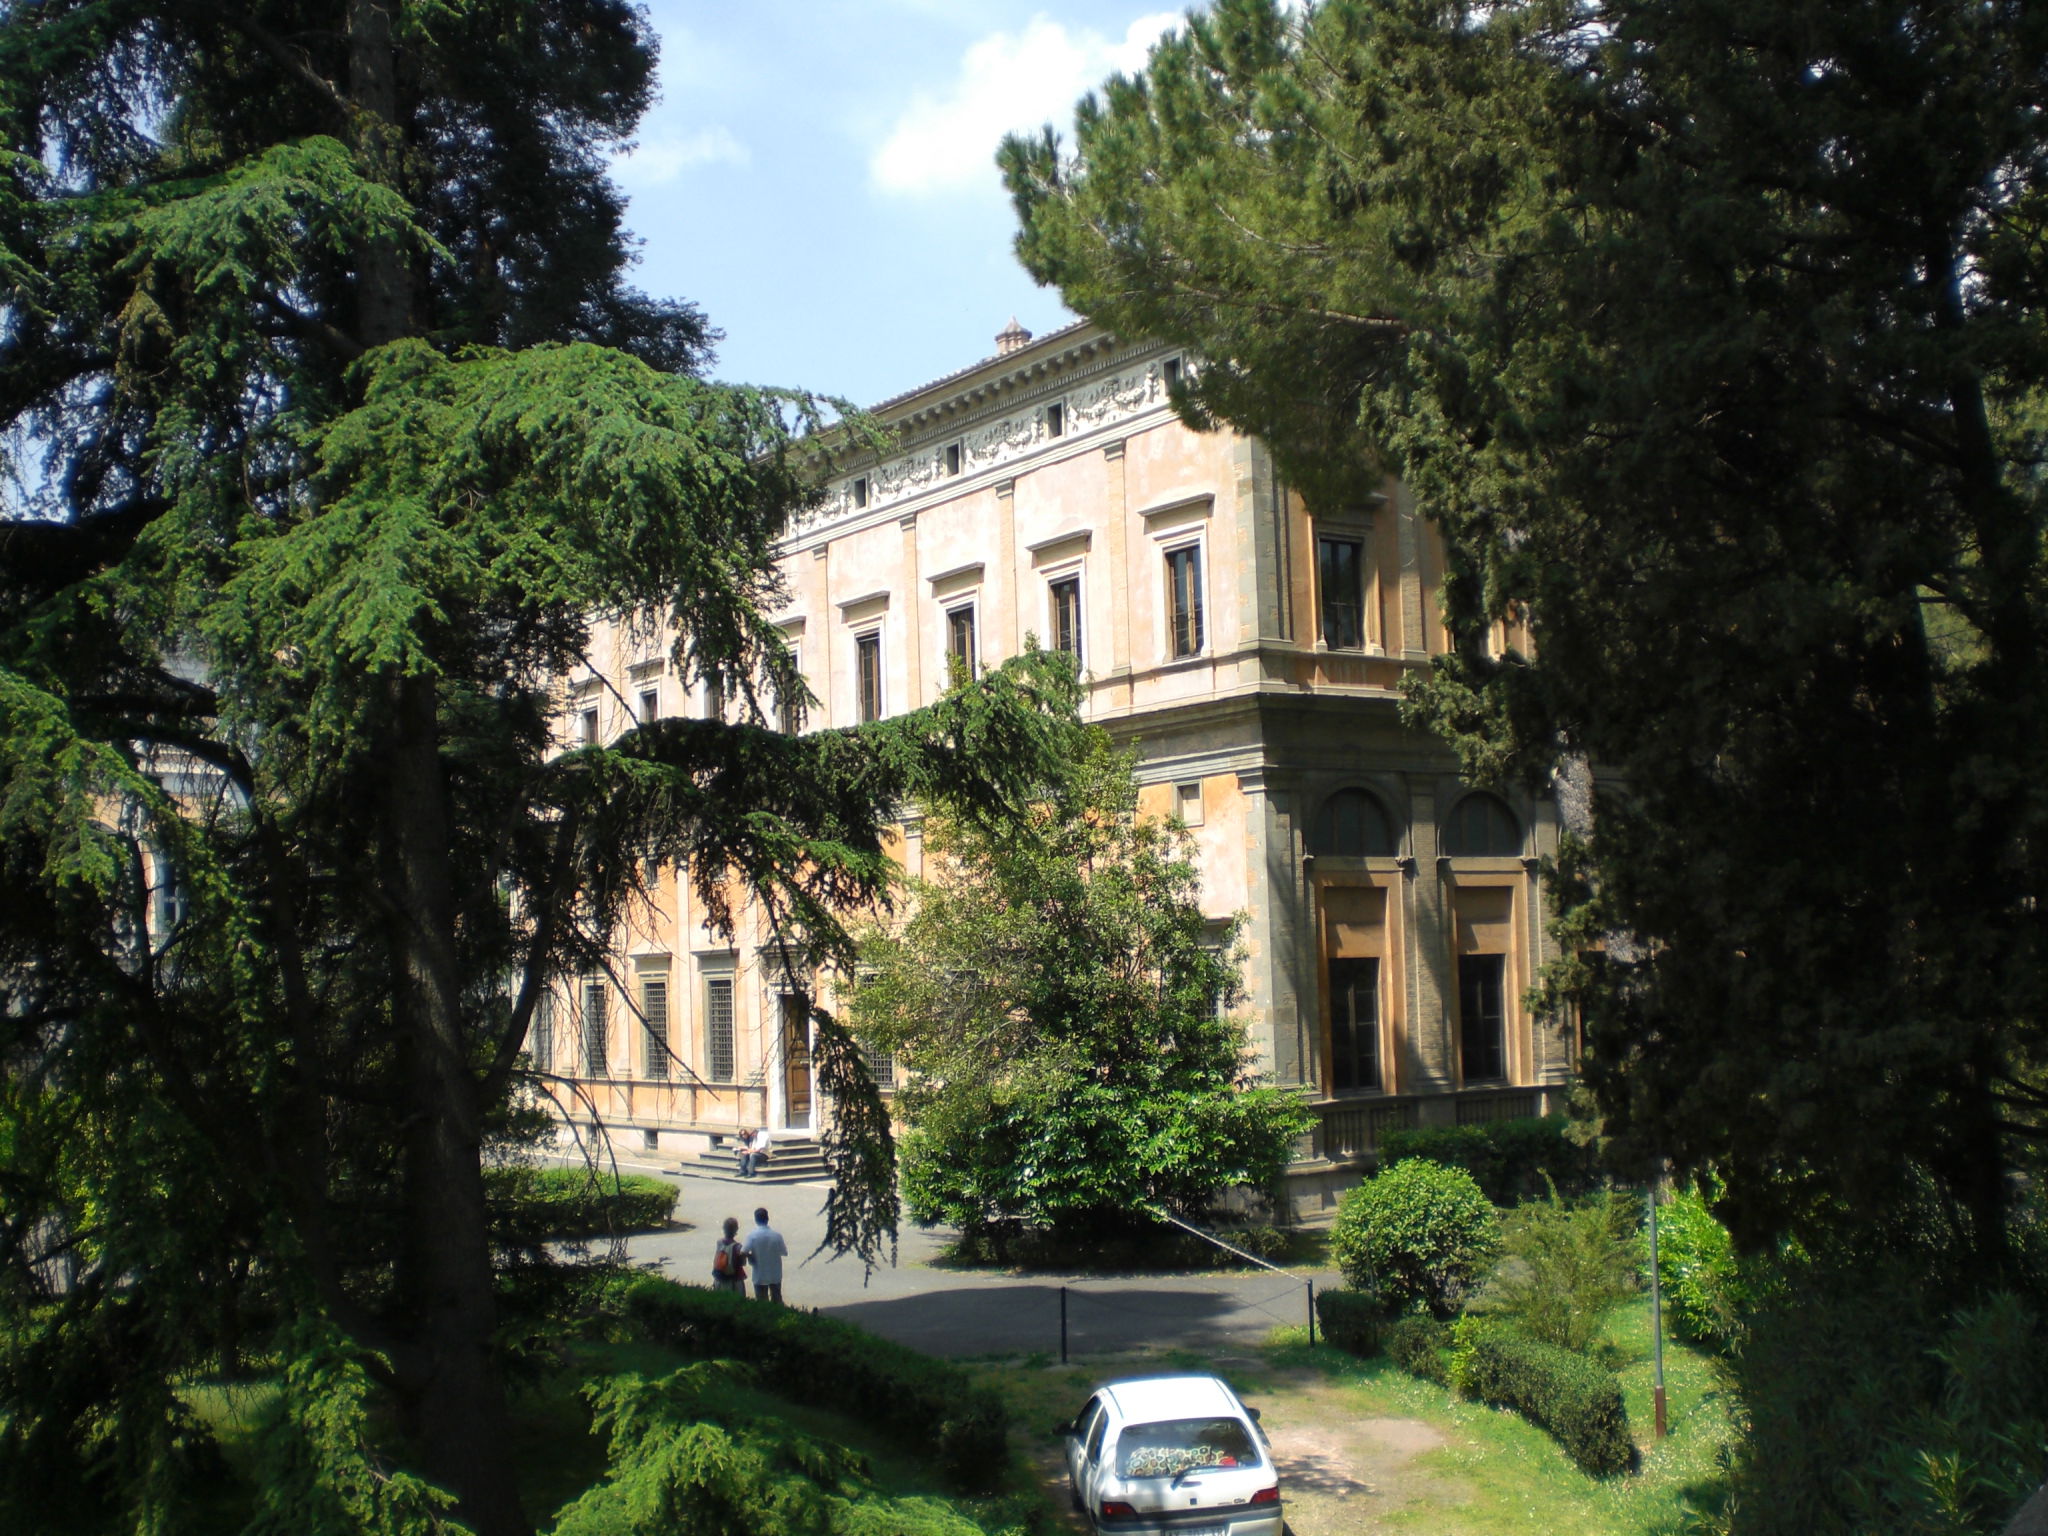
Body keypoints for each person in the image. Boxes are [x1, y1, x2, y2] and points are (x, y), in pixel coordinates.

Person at [747, 1207, 789, 1305]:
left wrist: (751, 1257)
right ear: (767, 1218)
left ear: (755, 1220)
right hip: (775, 1274)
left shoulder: (752, 1236)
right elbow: (784, 1252)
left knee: (761, 1302)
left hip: (759, 1274)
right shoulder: (777, 1236)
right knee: (777, 1299)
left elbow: (743, 1251)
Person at [711, 1215, 748, 1295]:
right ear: (736, 1230)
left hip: (719, 1279)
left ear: (724, 1229)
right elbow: (743, 1263)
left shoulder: (719, 1243)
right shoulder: (738, 1247)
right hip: (734, 1281)